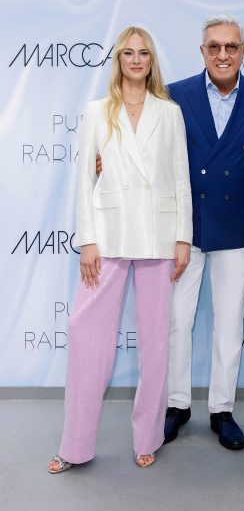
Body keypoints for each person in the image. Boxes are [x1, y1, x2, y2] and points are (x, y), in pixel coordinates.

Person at [47, 26, 192, 473]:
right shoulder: (97, 111)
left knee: (154, 343)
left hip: (158, 236)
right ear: (119, 60)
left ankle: (148, 437)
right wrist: (87, 239)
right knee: (87, 336)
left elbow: (180, 178)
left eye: (143, 53)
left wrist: (182, 238)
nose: (135, 60)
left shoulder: (169, 113)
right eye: (128, 53)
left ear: (151, 61)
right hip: (107, 236)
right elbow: (83, 182)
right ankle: (74, 447)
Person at [164, 15, 244, 450]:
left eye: (231, 46)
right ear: (202, 51)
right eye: (214, 46)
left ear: (243, 51)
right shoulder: (175, 95)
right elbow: (152, 152)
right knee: (178, 322)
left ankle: (222, 411)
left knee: (229, 326)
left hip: (236, 231)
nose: (223, 54)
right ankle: (177, 405)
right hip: (184, 230)